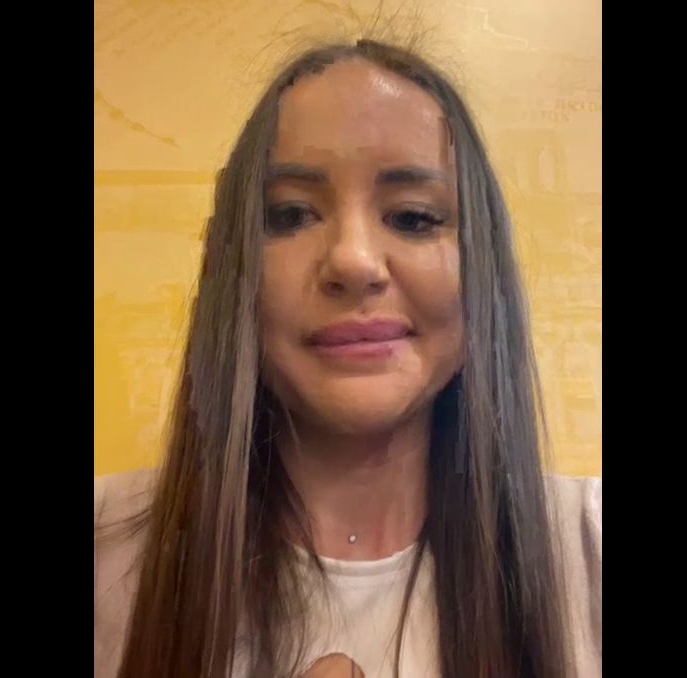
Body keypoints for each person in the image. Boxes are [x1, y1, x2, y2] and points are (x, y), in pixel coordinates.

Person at [95, 39, 601, 678]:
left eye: (413, 218)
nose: (353, 260)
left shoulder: (589, 547)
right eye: (291, 214)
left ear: (483, 268)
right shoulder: (105, 549)